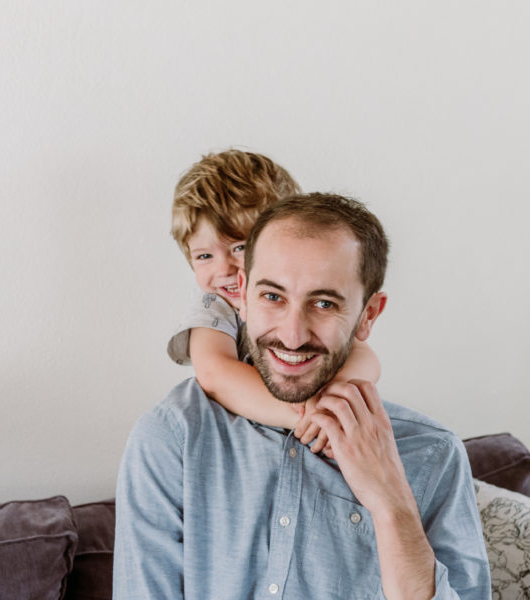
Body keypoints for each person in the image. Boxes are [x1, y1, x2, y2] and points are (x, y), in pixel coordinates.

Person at [114, 193, 490, 598]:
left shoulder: (432, 454)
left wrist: (391, 503)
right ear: (241, 294)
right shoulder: (173, 438)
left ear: (369, 315)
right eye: (272, 296)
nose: (292, 335)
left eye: (324, 303)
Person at [168, 150, 380, 451]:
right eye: (204, 256)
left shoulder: (312, 300)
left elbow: (365, 358)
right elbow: (215, 372)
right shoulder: (213, 306)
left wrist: (334, 401)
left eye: (239, 248)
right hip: (257, 435)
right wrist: (305, 417)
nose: (223, 269)